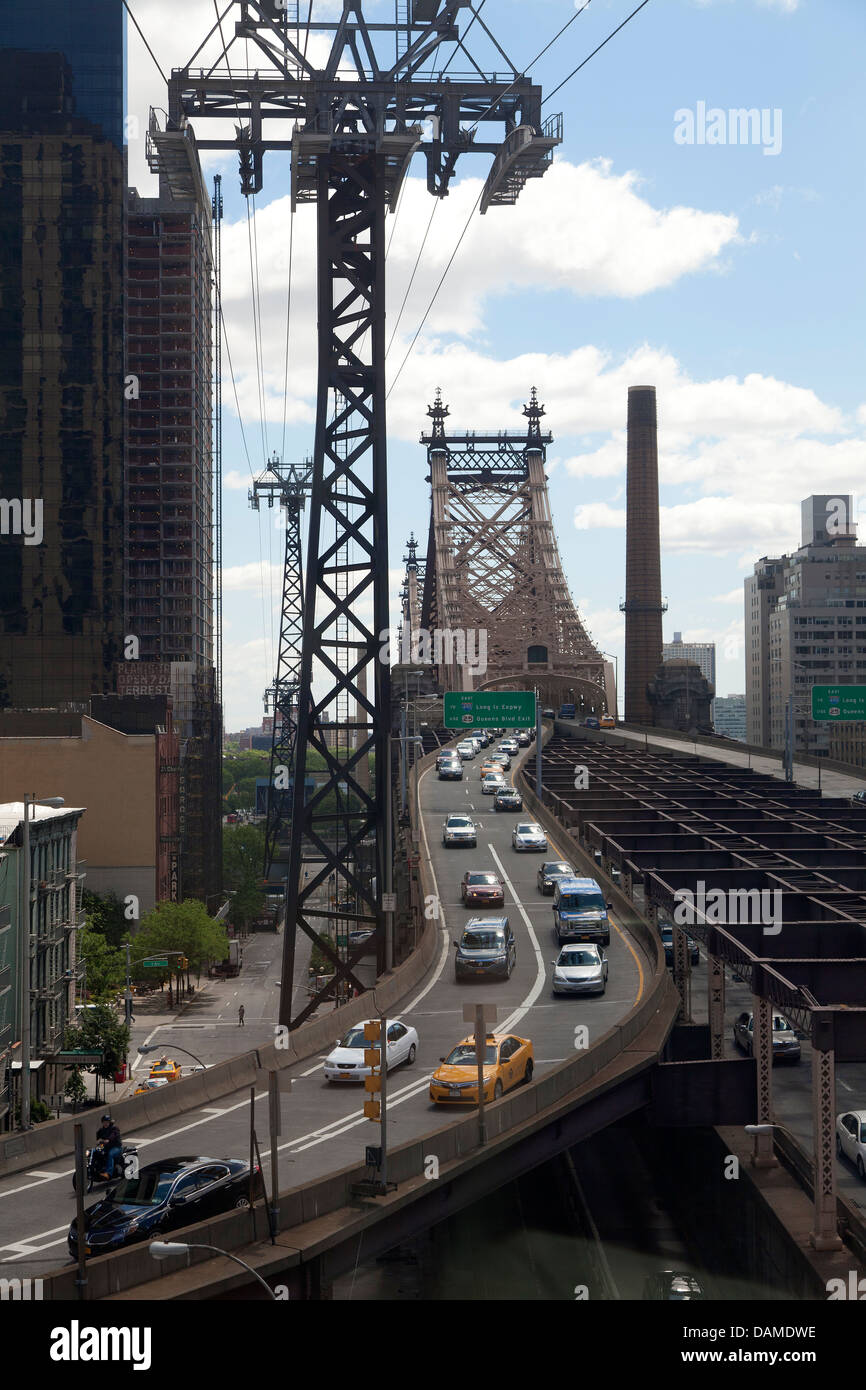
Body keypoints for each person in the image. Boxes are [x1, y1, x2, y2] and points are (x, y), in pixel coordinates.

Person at [95, 1113, 122, 1181]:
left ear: (109, 1122)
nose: (106, 1123)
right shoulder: (101, 1130)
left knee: (110, 1154)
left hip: (116, 1147)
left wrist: (108, 1139)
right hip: (105, 1146)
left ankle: (108, 1173)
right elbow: (96, 1136)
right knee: (96, 1151)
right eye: (104, 1122)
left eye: (107, 1122)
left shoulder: (114, 1128)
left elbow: (113, 1135)